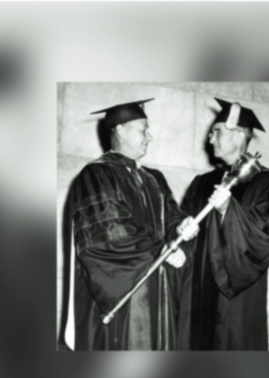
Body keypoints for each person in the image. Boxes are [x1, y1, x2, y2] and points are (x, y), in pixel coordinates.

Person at [59, 98, 199, 351]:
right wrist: (163, 250)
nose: (150, 136)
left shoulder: (154, 178)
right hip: (125, 290)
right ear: (121, 130)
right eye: (143, 129)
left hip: (158, 284)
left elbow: (170, 215)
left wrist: (182, 227)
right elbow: (111, 232)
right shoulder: (96, 175)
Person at [178, 98, 269, 350]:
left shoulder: (266, 182)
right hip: (198, 288)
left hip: (236, 290)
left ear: (239, 137)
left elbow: (264, 236)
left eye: (216, 133)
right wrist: (181, 227)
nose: (210, 139)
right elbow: (184, 225)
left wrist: (229, 208)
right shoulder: (200, 182)